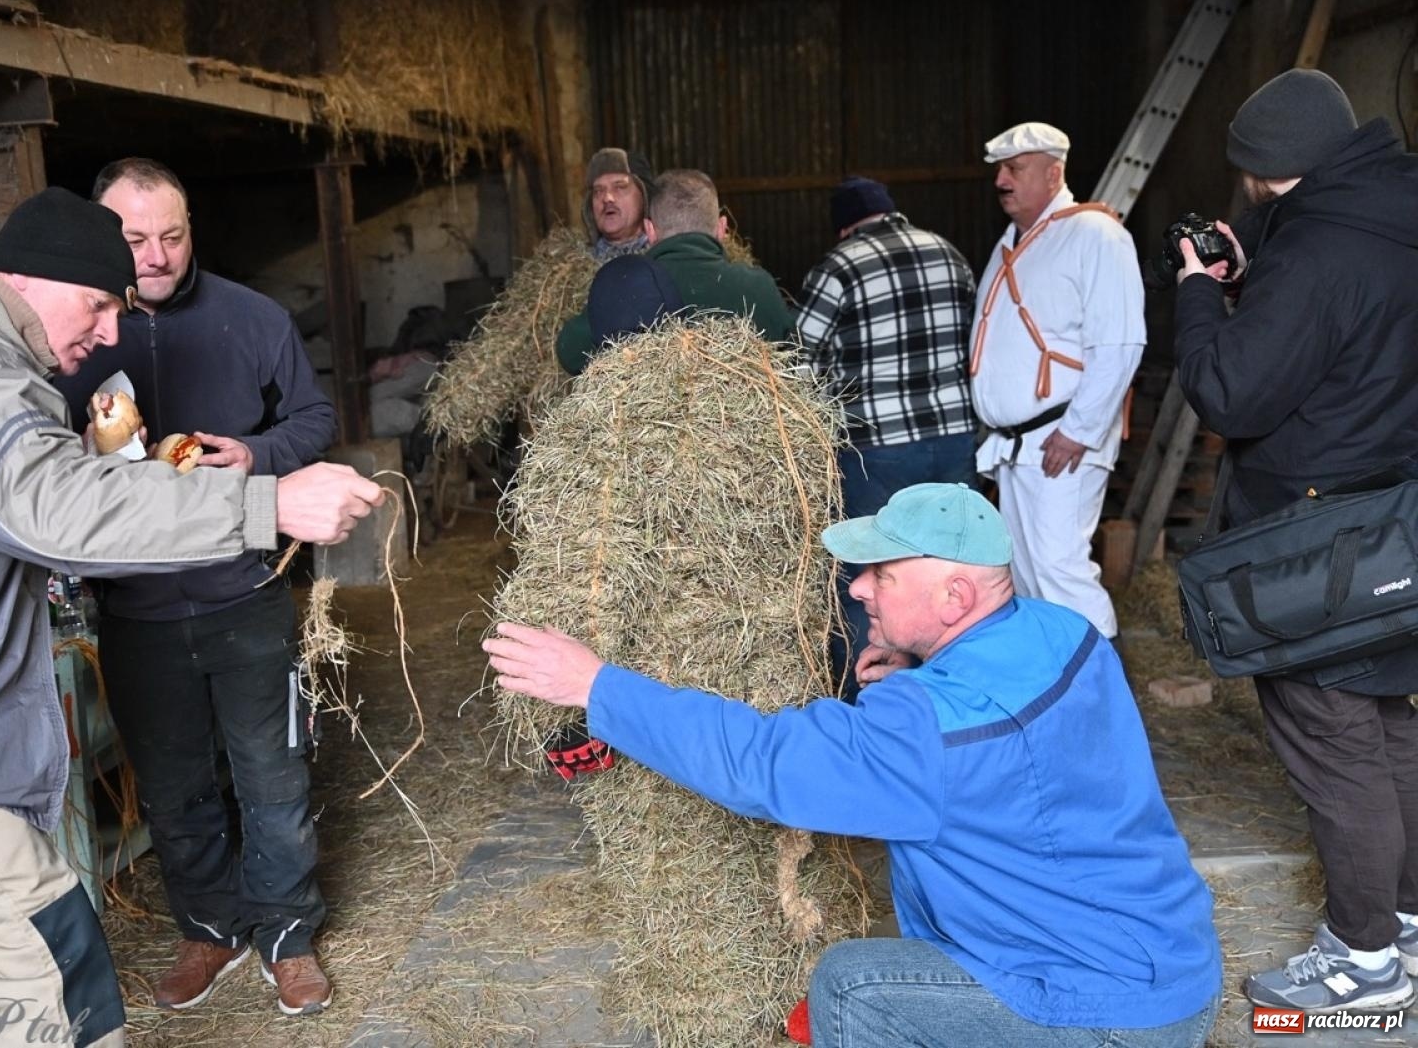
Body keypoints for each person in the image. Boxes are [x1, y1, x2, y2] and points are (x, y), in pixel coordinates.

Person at [0, 186, 383, 1048]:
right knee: (53, 963)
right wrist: (266, 503)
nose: (108, 333)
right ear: (30, 277)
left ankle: (279, 932)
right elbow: (45, 506)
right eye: (96, 304)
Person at [484, 482, 1221, 1047]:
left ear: (955, 595)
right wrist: (923, 659)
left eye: (882, 574)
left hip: (1105, 1010)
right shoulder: (1066, 632)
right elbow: (1000, 736)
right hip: (1170, 961)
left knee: (852, 983)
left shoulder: (924, 730)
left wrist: (596, 685)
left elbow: (765, 762)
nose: (859, 586)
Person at [53, 157, 339, 1016]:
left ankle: (288, 933)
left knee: (273, 776)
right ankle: (208, 927)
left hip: (243, 591)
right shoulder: (77, 339)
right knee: (174, 788)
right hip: (134, 609)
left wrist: (260, 454)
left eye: (172, 235)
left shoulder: (252, 317)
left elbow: (316, 417)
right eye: (135, 238)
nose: (156, 254)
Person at [1175, 68, 1418, 1014]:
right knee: (1393, 724)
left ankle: (1364, 963)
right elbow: (1340, 346)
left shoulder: (1317, 253)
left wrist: (1200, 294)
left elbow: (1233, 391)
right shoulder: (1388, 221)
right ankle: (1403, 922)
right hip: (1398, 521)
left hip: (1318, 542)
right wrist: (1258, 275)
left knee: (1333, 738)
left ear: (1270, 172)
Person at [796, 176, 979, 696]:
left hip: (875, 450)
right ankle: (954, 694)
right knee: (951, 572)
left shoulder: (839, 267)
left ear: (845, 226)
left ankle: (868, 703)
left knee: (867, 581)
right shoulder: (949, 254)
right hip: (953, 440)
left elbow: (801, 365)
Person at [968, 122, 1143, 645]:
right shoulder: (1012, 243)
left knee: (1059, 570)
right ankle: (1055, 698)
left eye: (1015, 169)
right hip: (1018, 447)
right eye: (1000, 170)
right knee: (1025, 576)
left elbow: (1120, 343)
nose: (1002, 180)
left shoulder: (1095, 235)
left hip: (1060, 440)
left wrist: (1080, 430)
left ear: (1054, 173)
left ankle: (1102, 693)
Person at [558, 169, 794, 374]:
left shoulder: (624, 288)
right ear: (722, 228)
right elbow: (791, 358)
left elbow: (569, 353)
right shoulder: (759, 287)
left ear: (649, 230)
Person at [583, 147, 656, 262]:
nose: (607, 198)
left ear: (644, 196)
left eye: (620, 187)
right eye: (598, 191)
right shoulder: (574, 264)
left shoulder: (665, 259)